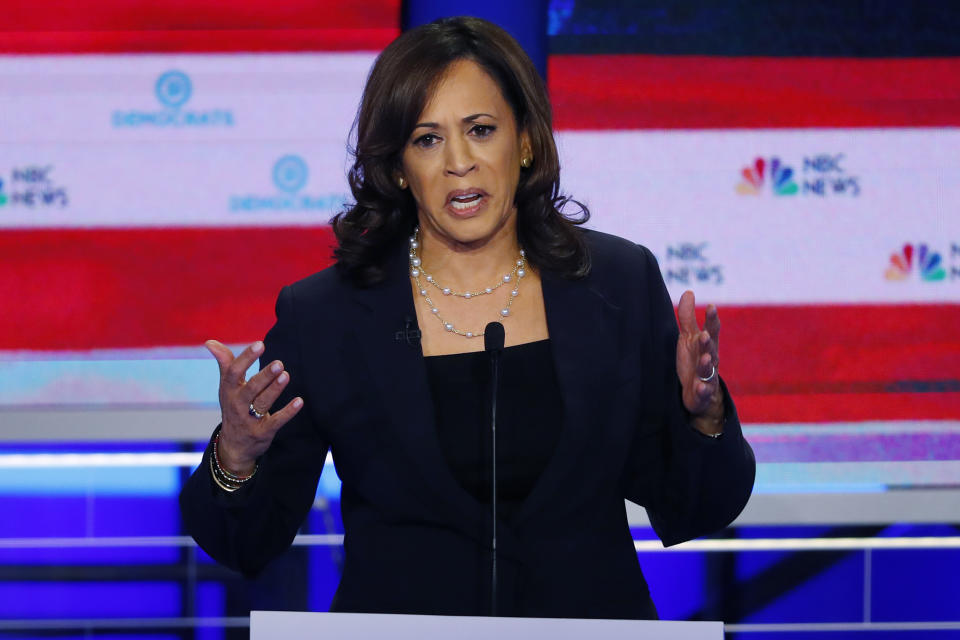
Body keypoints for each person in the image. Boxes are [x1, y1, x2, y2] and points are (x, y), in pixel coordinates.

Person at [180, 16, 755, 619]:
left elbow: (693, 507)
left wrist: (704, 419)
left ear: (525, 141)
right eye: (427, 139)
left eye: (481, 130)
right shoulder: (326, 315)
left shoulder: (616, 285)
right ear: (400, 167)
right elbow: (245, 541)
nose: (460, 161)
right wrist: (235, 457)